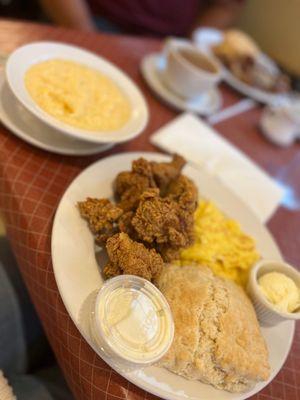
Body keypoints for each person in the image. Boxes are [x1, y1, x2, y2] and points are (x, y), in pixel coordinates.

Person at [38, 0, 244, 36]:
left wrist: (189, 49)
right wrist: (87, 35)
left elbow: (227, 5)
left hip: (166, 45)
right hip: (92, 22)